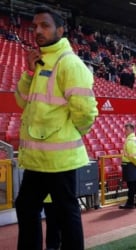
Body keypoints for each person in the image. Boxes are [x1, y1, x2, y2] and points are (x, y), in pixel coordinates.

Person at [14, 5, 98, 250]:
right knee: (27, 206)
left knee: (65, 211)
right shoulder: (39, 60)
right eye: (35, 26)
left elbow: (86, 112)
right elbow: (21, 101)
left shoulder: (69, 63)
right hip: (37, 159)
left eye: (45, 25)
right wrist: (29, 72)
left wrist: (72, 133)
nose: (37, 30)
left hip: (58, 159)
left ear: (61, 29)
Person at [119, 123, 136, 209]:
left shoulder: (130, 141)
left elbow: (132, 156)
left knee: (131, 186)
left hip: (130, 165)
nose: (125, 131)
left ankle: (130, 203)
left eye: (127, 129)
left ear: (131, 130)